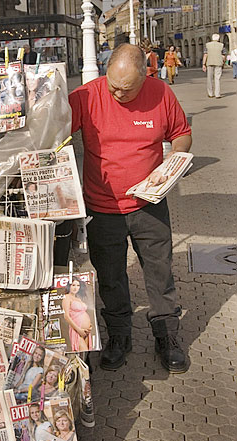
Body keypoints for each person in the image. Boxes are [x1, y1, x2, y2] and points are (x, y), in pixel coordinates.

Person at [69, 44, 192, 373]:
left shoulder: (160, 92)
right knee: (110, 277)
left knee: (159, 272)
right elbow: (54, 134)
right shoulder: (86, 96)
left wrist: (174, 160)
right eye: (113, 86)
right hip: (102, 206)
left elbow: (181, 134)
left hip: (149, 205)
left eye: (127, 89)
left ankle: (166, 335)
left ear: (145, 77)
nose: (118, 94)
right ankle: (119, 336)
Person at [62, 277, 95, 352]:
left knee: (86, 354)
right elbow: (66, 316)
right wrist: (79, 330)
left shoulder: (78, 299)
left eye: (78, 285)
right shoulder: (67, 297)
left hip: (86, 331)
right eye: (73, 285)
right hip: (77, 330)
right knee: (83, 352)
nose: (75, 288)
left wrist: (90, 326)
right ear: (69, 286)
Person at [203, 34, 227, 98]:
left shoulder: (207, 45)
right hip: (219, 63)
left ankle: (210, 93)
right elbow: (223, 56)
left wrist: (203, 64)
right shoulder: (222, 45)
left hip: (209, 63)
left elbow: (205, 55)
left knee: (209, 78)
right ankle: (217, 94)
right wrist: (223, 63)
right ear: (218, 39)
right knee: (217, 78)